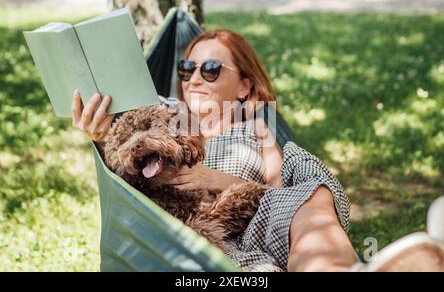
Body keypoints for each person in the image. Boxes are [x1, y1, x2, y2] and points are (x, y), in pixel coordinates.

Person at [72, 29, 442, 271]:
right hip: (193, 241)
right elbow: (125, 162)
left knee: (311, 191)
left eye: (212, 69)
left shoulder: (258, 128)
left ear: (245, 87)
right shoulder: (164, 114)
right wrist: (100, 136)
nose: (195, 78)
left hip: (258, 225)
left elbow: (282, 196)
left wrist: (213, 178)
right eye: (187, 69)